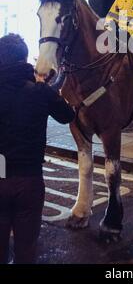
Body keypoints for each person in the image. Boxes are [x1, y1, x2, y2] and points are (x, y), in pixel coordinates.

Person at [0, 34, 75, 264]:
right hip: (30, 180)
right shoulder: (41, 92)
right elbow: (67, 115)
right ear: (25, 58)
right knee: (26, 248)